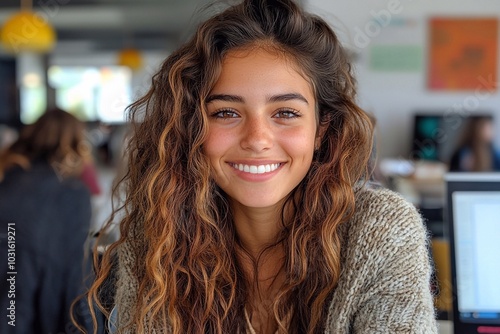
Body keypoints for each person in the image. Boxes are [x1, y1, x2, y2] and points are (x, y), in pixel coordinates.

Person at [83, 0, 438, 333]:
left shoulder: (381, 233)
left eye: (285, 113)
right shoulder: (157, 238)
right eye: (226, 112)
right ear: (193, 129)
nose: (257, 138)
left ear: (320, 129)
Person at [0, 108, 92, 333]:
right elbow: (73, 272)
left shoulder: (7, 182)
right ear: (73, 142)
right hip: (45, 312)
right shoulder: (72, 193)